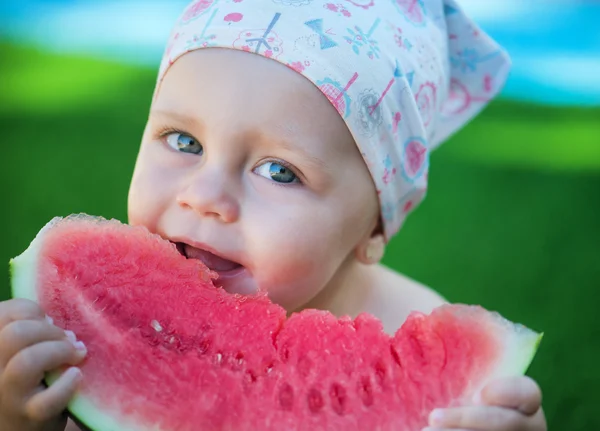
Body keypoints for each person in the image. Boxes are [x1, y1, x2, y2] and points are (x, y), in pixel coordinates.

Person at [0, 1, 546, 430]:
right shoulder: (95, 323)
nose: (205, 195)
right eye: (183, 139)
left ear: (375, 226)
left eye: (279, 171)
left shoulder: (421, 342)